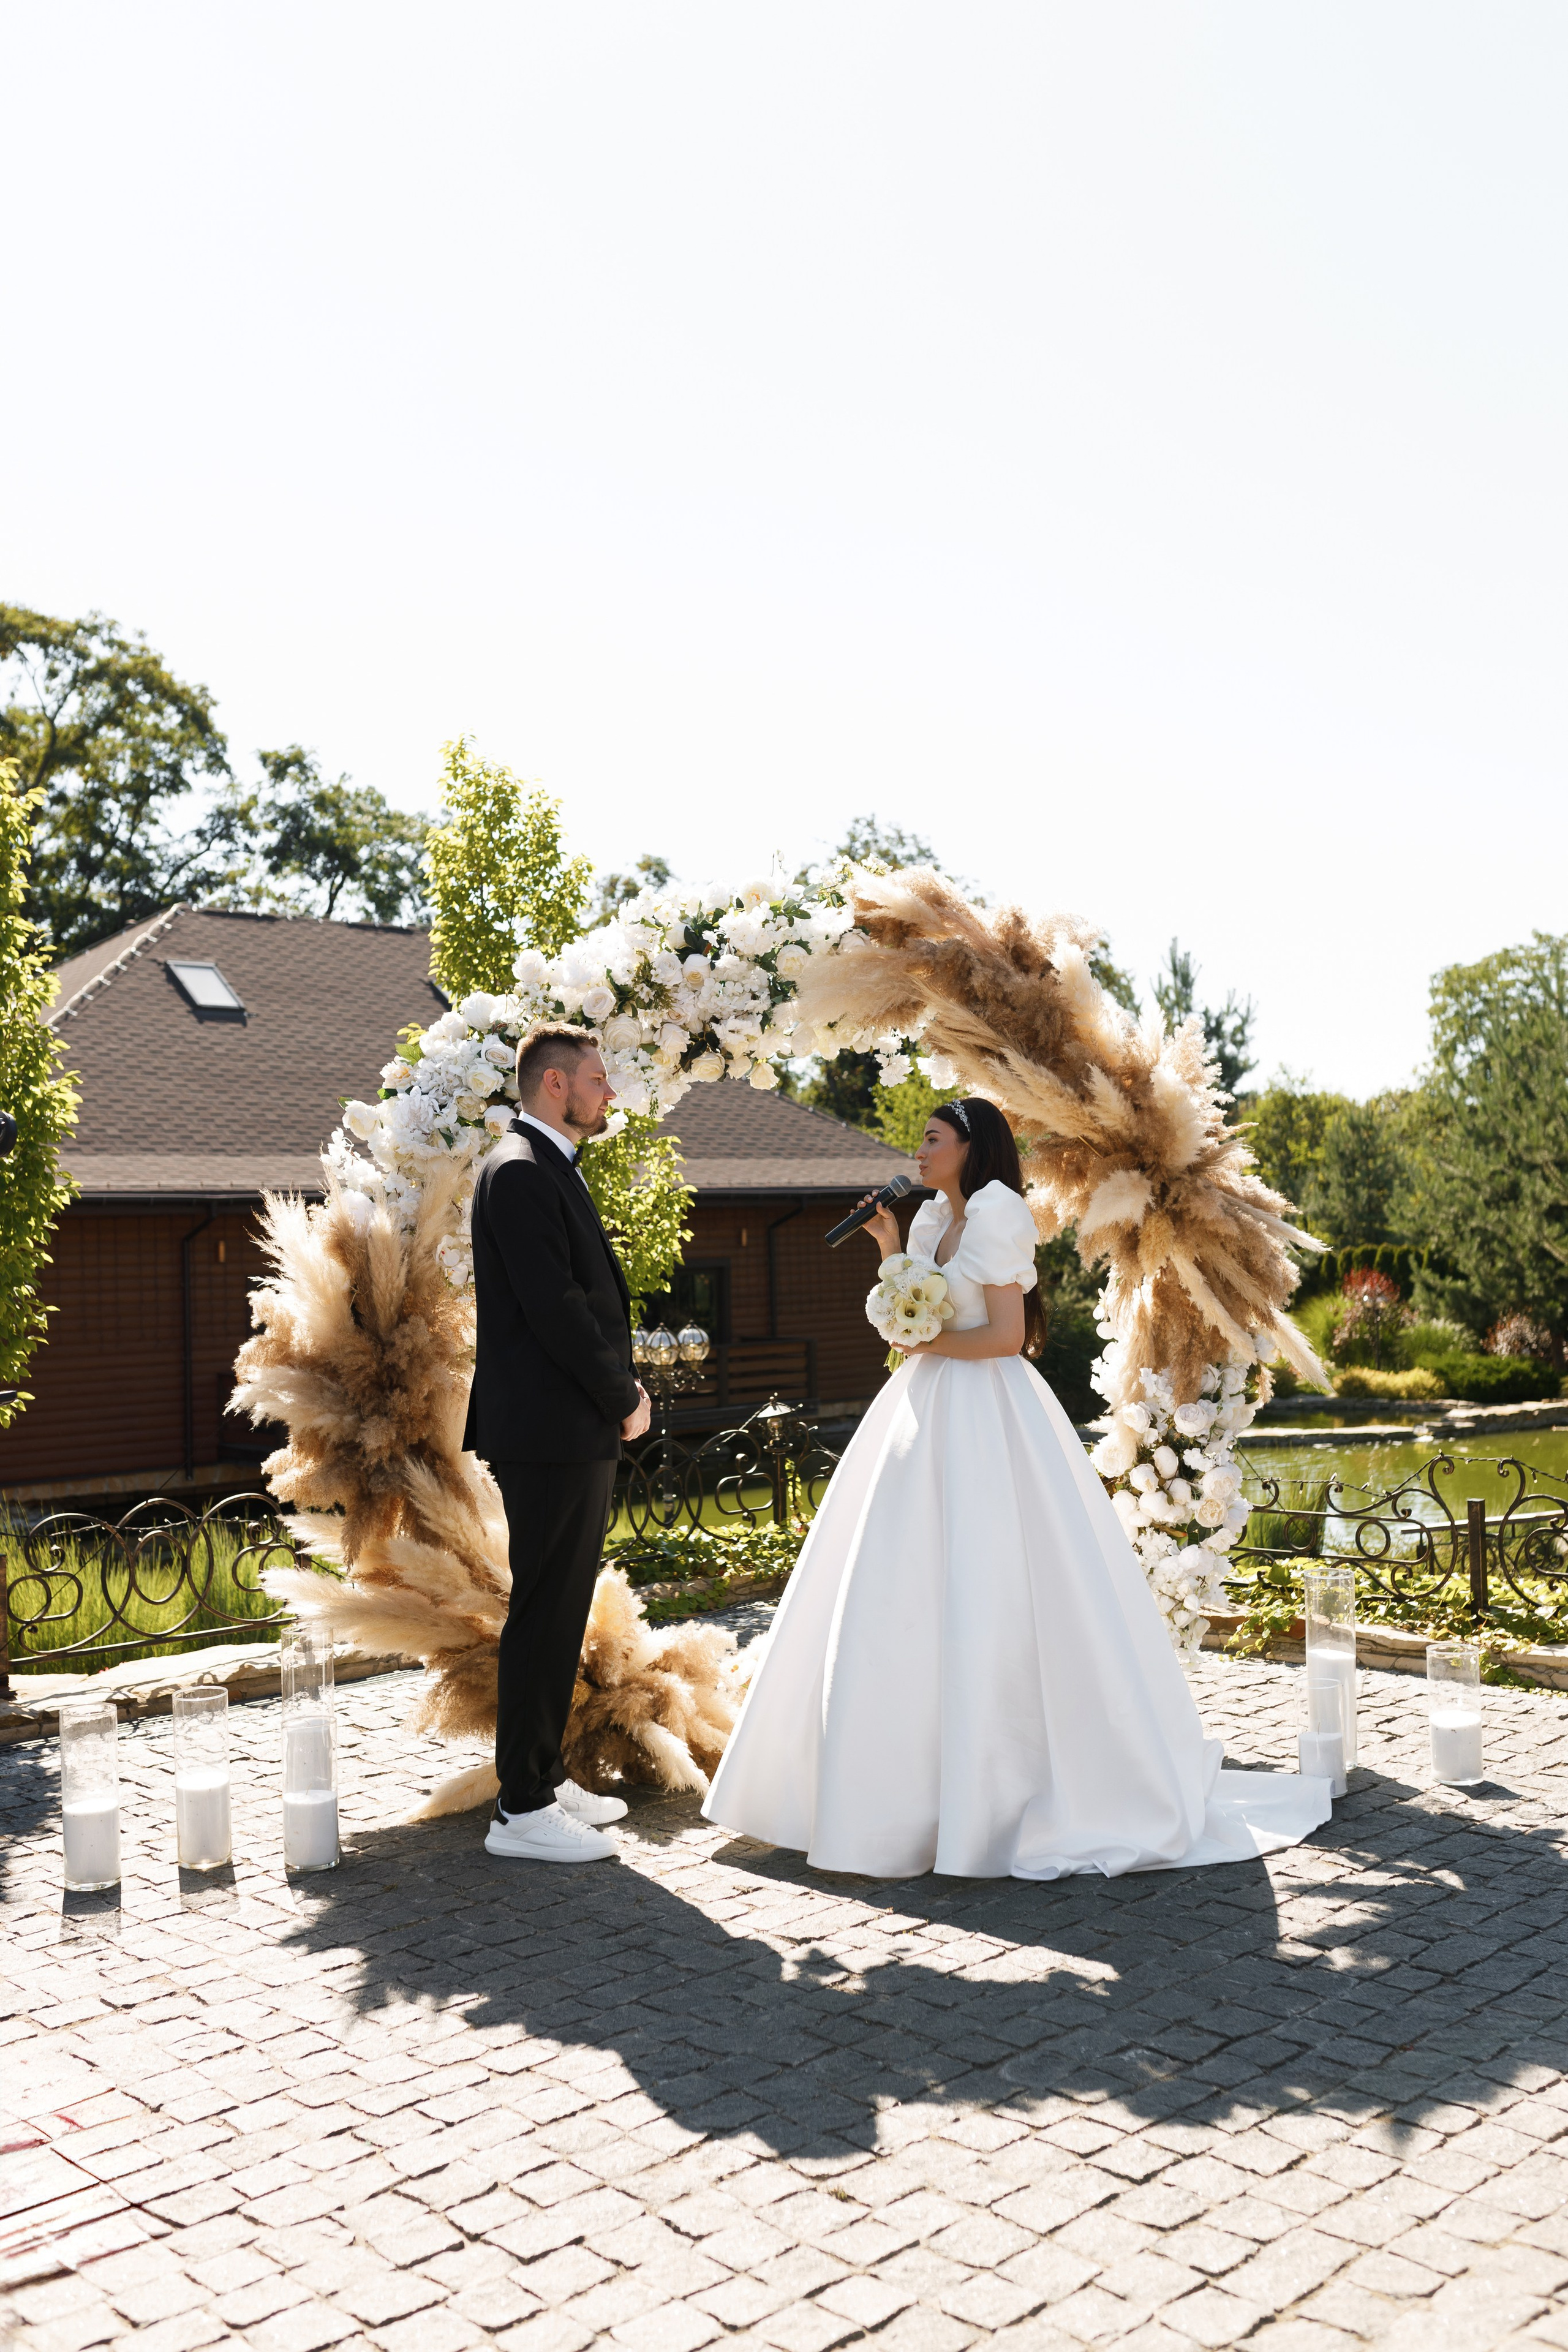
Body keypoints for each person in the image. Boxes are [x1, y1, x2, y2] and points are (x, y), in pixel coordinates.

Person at [703, 1096, 1331, 1880]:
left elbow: (1004, 1336)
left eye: (932, 1139)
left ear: (972, 1146)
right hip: (919, 1410)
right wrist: (889, 1244)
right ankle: (886, 1797)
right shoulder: (930, 1217)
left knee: (993, 1579)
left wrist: (925, 1338)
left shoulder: (1001, 1213)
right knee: (895, 1590)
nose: (919, 1150)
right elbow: (915, 1308)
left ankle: (1009, 1792)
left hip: (988, 1409)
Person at [464, 1023, 652, 1863]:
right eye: (598, 1079)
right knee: (544, 1611)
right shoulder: (519, 1171)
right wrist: (623, 1396)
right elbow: (556, 1310)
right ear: (554, 1086)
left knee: (561, 1607)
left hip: (561, 1426)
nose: (610, 1094)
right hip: (551, 1427)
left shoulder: (540, 1166)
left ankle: (542, 1774)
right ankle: (522, 1811)